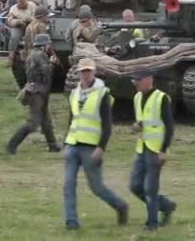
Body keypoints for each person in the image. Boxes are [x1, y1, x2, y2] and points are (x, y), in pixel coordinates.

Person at [62, 57, 128, 230]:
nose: (86, 74)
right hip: (72, 145)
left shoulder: (102, 93)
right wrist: (65, 141)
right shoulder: (74, 93)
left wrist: (101, 147)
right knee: (68, 184)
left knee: (97, 187)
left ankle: (120, 205)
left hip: (90, 147)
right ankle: (71, 222)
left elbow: (107, 124)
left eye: (88, 71)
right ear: (78, 73)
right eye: (83, 71)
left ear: (94, 72)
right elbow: (72, 118)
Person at [129, 70, 176, 232]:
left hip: (155, 149)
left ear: (149, 80)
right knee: (135, 186)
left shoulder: (161, 98)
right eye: (134, 81)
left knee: (150, 188)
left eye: (138, 80)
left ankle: (152, 224)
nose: (135, 84)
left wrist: (163, 150)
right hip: (141, 147)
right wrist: (137, 126)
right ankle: (166, 205)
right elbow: (143, 120)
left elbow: (169, 127)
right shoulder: (137, 98)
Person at [7, 33, 62, 155]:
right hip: (37, 92)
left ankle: (52, 145)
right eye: (48, 44)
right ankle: (12, 144)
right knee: (33, 123)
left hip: (38, 90)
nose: (49, 46)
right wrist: (52, 63)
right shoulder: (40, 55)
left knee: (46, 121)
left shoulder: (34, 54)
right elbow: (45, 71)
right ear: (44, 45)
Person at [5, 0, 36, 66]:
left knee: (31, 36)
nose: (21, 0)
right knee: (14, 37)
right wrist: (16, 21)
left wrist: (25, 19)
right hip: (18, 26)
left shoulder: (32, 5)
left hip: (30, 24)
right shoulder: (13, 8)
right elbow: (9, 20)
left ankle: (31, 58)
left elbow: (35, 17)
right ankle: (10, 58)